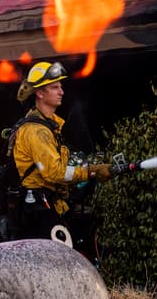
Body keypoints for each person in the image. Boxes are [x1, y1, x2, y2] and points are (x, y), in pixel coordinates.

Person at [12, 61, 113, 240]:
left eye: (61, 86)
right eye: (55, 87)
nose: (62, 92)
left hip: (48, 205)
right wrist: (90, 171)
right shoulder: (37, 131)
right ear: (40, 93)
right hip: (38, 212)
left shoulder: (51, 126)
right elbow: (54, 172)